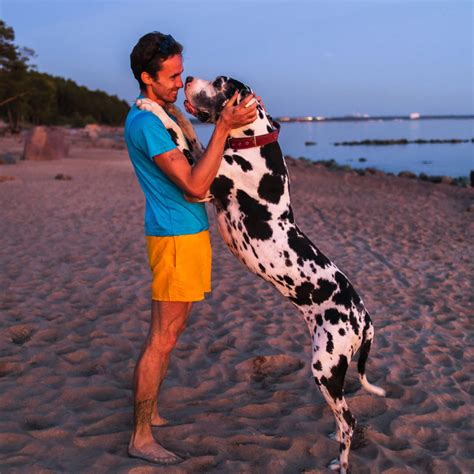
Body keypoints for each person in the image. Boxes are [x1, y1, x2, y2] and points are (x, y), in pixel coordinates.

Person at [124, 32, 257, 464]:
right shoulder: (146, 124)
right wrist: (222, 126)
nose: (181, 83)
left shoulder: (162, 115)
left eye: (182, 73)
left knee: (169, 333)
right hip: (174, 239)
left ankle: (153, 413)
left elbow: (200, 163)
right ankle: (140, 437)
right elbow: (196, 183)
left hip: (187, 235)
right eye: (172, 76)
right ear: (147, 77)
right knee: (162, 338)